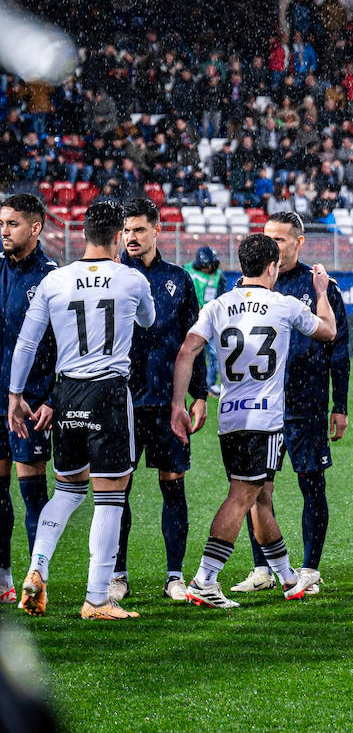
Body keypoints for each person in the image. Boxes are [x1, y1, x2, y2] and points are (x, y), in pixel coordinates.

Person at [8, 201, 155, 619]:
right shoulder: (131, 278)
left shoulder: (56, 280)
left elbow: (26, 343)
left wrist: (15, 395)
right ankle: (96, 598)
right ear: (115, 239)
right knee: (110, 497)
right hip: (108, 392)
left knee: (68, 491)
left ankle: (37, 569)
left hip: (66, 392)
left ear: (83, 235)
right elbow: (148, 319)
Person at [173, 234, 337, 608]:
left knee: (262, 497)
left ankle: (287, 577)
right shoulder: (284, 305)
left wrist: (177, 403)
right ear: (271, 267)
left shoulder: (218, 305)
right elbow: (329, 331)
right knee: (242, 496)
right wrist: (322, 291)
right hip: (263, 421)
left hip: (229, 418)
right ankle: (204, 579)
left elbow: (187, 351)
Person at [229, 212, 349, 595]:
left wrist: (339, 405)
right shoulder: (247, 287)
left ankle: (310, 567)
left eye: (280, 240)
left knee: (311, 483)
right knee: (255, 490)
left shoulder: (321, 286)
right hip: (260, 406)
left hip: (305, 403)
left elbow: (339, 350)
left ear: (299, 243)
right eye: (267, 238)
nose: (272, 246)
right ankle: (262, 568)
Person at [108, 198, 208, 604]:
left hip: (169, 405)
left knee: (173, 488)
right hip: (121, 402)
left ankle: (174, 576)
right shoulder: (112, 277)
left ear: (157, 230)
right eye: (127, 230)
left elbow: (194, 341)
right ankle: (117, 575)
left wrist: (198, 394)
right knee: (117, 491)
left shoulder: (179, 280)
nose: (132, 237)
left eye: (139, 229)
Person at [0, 194, 57, 603]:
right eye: (2, 223)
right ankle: (3, 576)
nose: (4, 231)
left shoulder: (53, 278)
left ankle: (37, 578)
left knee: (32, 494)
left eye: (13, 223)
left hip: (31, 403)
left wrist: (52, 396)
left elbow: (63, 346)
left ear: (35, 228)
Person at [184, 246, 227, 394]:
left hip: (210, 321)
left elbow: (222, 299)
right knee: (185, 352)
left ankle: (209, 384)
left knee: (215, 352)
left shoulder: (218, 277)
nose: (209, 268)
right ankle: (184, 382)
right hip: (189, 319)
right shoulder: (186, 271)